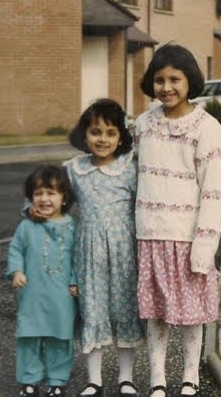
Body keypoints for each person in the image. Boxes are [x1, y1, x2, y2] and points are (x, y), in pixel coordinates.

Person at [133, 44, 221, 397]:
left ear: (190, 81)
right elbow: (130, 174)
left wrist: (205, 245)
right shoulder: (143, 125)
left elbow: (216, 192)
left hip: (189, 239)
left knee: (192, 315)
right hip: (151, 236)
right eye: (159, 80)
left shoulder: (207, 128)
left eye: (175, 79)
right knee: (156, 314)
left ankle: (190, 375)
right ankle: (157, 378)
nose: (166, 87)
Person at [63, 98, 144, 397]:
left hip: (124, 251)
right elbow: (53, 201)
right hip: (87, 252)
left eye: (111, 133)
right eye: (96, 132)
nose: (103, 139)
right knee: (92, 311)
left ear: (121, 137)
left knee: (125, 311)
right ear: (84, 134)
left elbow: (143, 208)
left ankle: (126, 378)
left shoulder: (129, 169)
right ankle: (94, 379)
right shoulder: (73, 170)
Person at [6, 165, 78, 397]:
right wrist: (17, 271)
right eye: (38, 194)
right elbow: (15, 250)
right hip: (32, 294)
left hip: (61, 295)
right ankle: (29, 380)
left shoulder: (73, 226)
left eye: (51, 193)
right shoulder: (27, 226)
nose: (44, 199)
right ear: (30, 198)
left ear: (64, 197)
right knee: (30, 336)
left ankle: (57, 380)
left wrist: (76, 281)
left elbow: (79, 258)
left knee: (60, 337)